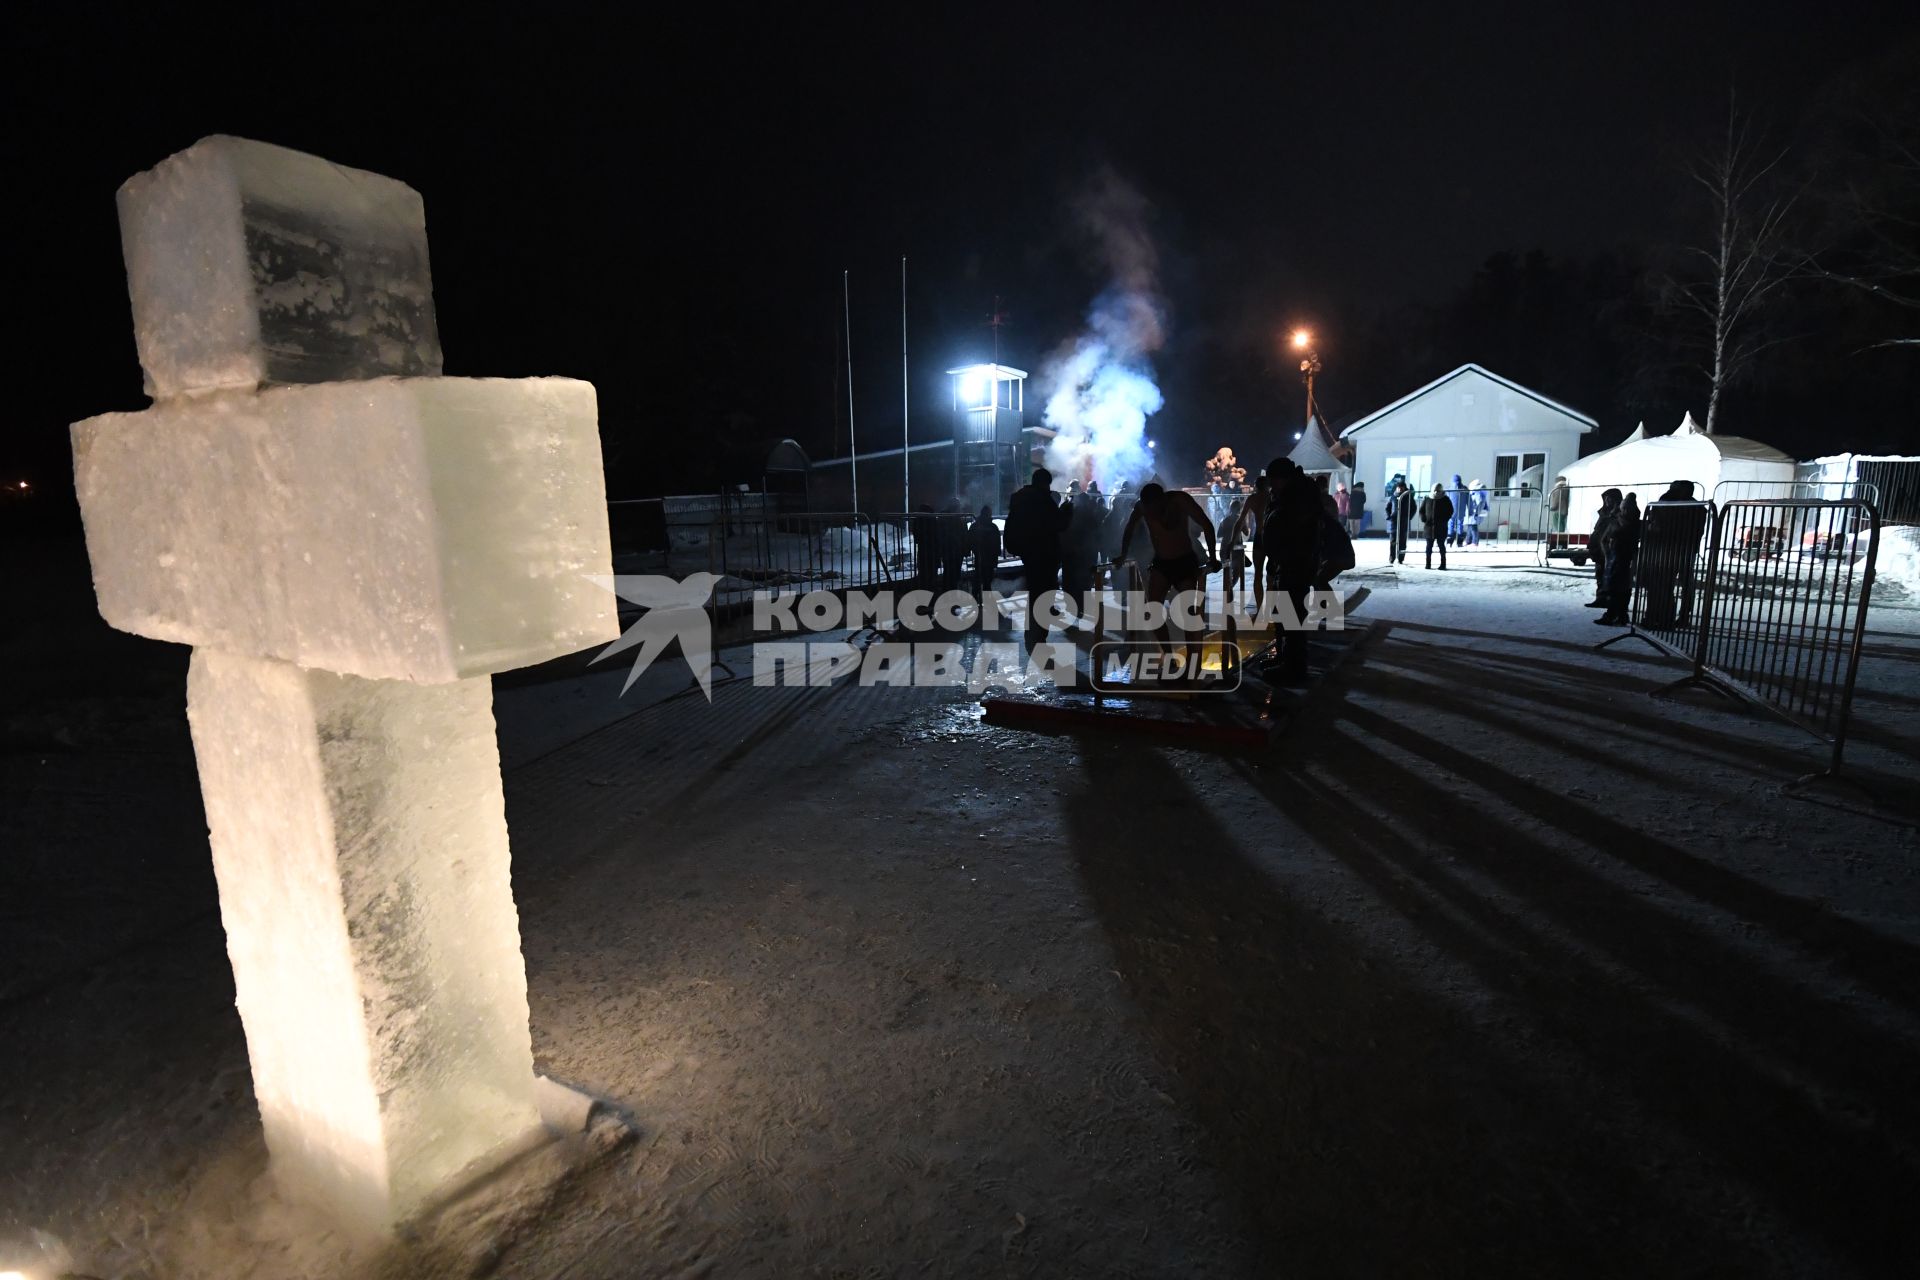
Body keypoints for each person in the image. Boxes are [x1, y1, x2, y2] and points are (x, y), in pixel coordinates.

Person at [1262, 458, 1322, 684]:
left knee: (1292, 619)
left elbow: (1298, 534)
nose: (1271, 486)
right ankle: (1285, 659)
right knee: (1283, 616)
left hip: (1295, 565)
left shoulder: (1300, 498)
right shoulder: (1291, 496)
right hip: (1286, 564)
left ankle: (1294, 669)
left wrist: (1286, 557)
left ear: (1283, 478)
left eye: (1273, 481)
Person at [1003, 468, 1073, 649]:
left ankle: (1032, 636)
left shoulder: (1020, 498)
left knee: (1035, 593)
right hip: (1045, 553)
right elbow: (1058, 524)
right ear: (1044, 483)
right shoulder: (1042, 500)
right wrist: (1066, 510)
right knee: (1044, 595)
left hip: (1028, 552)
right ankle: (1038, 637)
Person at [1118, 482, 1219, 605]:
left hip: (1184, 561)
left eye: (1155, 508)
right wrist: (1123, 555)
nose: (1153, 512)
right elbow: (1129, 529)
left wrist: (1213, 558)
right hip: (1161, 562)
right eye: (1149, 509)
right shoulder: (1141, 507)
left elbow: (1206, 525)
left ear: (1162, 500)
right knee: (1153, 611)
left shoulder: (1180, 500)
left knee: (1186, 611)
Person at [1640, 480, 1708, 628]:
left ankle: (1661, 617)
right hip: (1684, 550)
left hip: (1667, 551)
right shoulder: (1697, 508)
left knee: (1663, 584)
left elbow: (1658, 526)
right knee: (1678, 585)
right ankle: (1677, 617)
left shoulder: (1668, 504)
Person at [1597, 492, 1642, 625]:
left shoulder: (1628, 523)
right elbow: (1605, 539)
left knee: (1620, 587)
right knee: (1614, 587)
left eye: (1627, 508)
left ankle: (1618, 614)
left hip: (1624, 558)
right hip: (1615, 557)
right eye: (1624, 508)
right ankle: (1614, 613)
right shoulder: (1617, 521)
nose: (1625, 511)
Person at [1586, 489, 1621, 608]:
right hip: (1600, 548)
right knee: (1600, 574)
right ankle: (1601, 598)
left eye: (1609, 498)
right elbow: (1598, 530)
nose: (1607, 501)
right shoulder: (1604, 512)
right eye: (1605, 498)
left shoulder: (1617, 513)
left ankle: (1608, 599)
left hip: (1609, 548)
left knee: (1610, 576)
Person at [967, 503, 1000, 599]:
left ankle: (976, 595)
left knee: (978, 576)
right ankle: (986, 597)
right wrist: (996, 556)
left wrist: (971, 549)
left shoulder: (975, 525)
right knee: (987, 579)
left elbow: (970, 539)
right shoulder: (993, 527)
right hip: (990, 556)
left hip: (979, 555)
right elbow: (997, 543)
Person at [1419, 484, 1454, 569]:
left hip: (1441, 527)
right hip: (1429, 527)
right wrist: (1423, 518)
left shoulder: (1445, 499)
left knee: (1441, 545)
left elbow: (1450, 511)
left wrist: (1445, 519)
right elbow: (1421, 511)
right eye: (1434, 490)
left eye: (1438, 491)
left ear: (1441, 491)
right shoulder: (1427, 499)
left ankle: (1443, 564)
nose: (1435, 492)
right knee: (1428, 547)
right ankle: (1428, 563)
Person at [1387, 476, 1415, 565]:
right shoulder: (1393, 496)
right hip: (1394, 522)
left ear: (1404, 488)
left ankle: (1401, 558)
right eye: (1398, 488)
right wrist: (1389, 516)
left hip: (1403, 521)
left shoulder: (1408, 496)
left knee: (1402, 541)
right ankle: (1392, 558)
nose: (1399, 489)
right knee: (1393, 541)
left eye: (1401, 488)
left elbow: (1414, 508)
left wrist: (1409, 517)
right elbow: (1387, 507)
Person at [1463, 479, 1489, 547]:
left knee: (1473, 527)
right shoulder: (1475, 493)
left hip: (1474, 513)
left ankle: (1475, 542)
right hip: (1472, 512)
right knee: (1470, 527)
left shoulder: (1477, 493)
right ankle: (1468, 540)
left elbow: (1480, 503)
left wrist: (1477, 512)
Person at [1446, 474, 1469, 546]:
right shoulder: (1465, 489)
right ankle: (1459, 542)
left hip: (1451, 510)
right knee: (1460, 524)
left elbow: (1446, 500)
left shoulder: (1449, 489)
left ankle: (1449, 541)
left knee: (1451, 524)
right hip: (1461, 510)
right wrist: (1470, 510)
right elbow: (1469, 500)